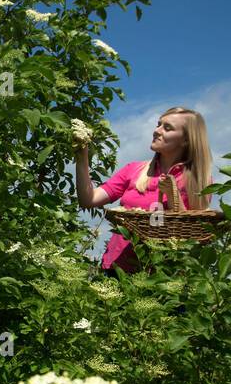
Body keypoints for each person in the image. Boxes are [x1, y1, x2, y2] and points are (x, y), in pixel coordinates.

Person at [75, 106, 215, 275]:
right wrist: (82, 157)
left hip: (163, 276)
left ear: (186, 140)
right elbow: (88, 199)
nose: (157, 131)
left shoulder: (198, 182)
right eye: (158, 124)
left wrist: (173, 198)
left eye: (167, 128)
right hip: (116, 269)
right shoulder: (134, 170)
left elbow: (193, 237)